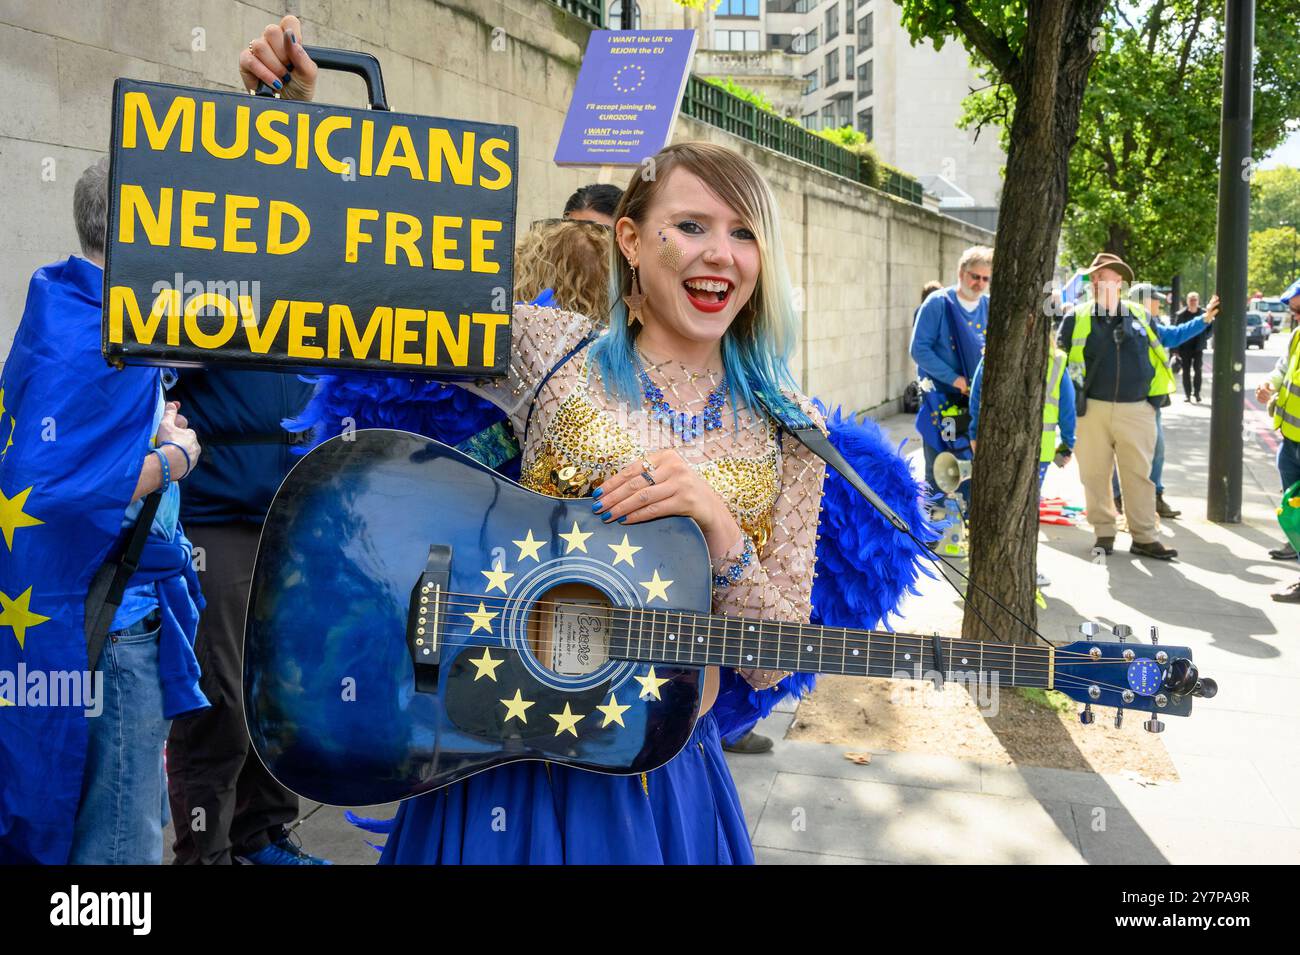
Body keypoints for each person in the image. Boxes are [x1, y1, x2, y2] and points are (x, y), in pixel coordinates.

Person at [243, 20, 929, 864]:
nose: (721, 253)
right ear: (632, 242)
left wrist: (718, 529)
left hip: (654, 787)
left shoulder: (792, 425)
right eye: (692, 226)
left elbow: (768, 656)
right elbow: (367, 289)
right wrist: (296, 131)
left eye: (744, 232)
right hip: (498, 763)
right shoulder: (548, 348)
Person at [0, 158, 206, 863]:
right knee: (119, 846)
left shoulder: (65, 304)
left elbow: (69, 451)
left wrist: (147, 428)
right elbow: (57, 480)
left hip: (100, 617)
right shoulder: (105, 334)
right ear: (142, 230)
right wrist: (176, 456)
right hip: (111, 630)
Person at [163, 367, 320, 862]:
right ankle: (205, 853)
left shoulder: (313, 291)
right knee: (221, 698)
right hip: (211, 515)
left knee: (280, 694)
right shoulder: (199, 290)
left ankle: (262, 836)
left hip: (292, 509)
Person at [1056, 255, 1212, 561]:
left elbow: (1169, 337)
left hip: (1137, 409)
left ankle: (1144, 537)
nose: (1102, 283)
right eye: (1097, 277)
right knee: (1095, 474)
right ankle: (1103, 534)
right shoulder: (1076, 317)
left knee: (1139, 475)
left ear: (1121, 284)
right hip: (1092, 410)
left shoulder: (1140, 315)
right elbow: (1058, 363)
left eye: (1110, 278)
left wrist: (1204, 320)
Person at [909, 247, 993, 503]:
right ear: (961, 272)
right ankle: (931, 539)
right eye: (974, 276)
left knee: (971, 472)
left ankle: (965, 534)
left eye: (985, 279)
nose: (979, 283)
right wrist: (956, 380)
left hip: (975, 404)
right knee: (939, 472)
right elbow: (919, 349)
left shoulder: (990, 307)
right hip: (942, 403)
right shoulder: (938, 304)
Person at [1257, 281, 1300, 596]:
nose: (1293, 315)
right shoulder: (1297, 336)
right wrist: (1270, 386)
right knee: (1294, 509)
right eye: (1293, 310)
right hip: (1291, 439)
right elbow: (1283, 369)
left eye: (1297, 309)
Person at [1174, 291, 1208, 402]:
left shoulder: (1204, 313)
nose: (1193, 302)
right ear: (1187, 301)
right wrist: (1175, 349)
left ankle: (1197, 393)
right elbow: (1176, 331)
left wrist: (1204, 337)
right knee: (1186, 371)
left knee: (1198, 369)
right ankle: (1187, 395)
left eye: (1195, 299)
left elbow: (1211, 328)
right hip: (1185, 347)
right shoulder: (1181, 315)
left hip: (1198, 347)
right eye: (1191, 299)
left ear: (1198, 301)